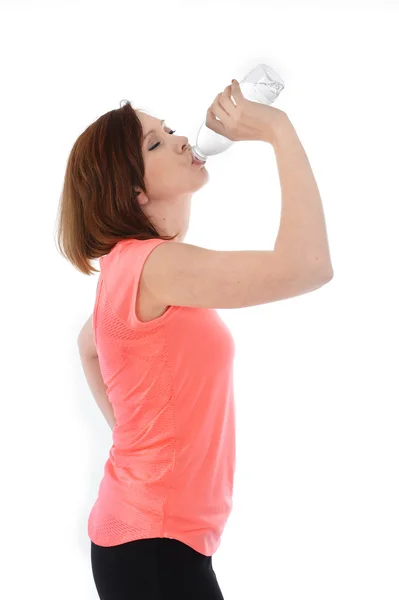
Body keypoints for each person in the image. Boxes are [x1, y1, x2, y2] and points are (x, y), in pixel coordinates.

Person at [57, 80, 333, 599]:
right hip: (154, 548)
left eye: (171, 130)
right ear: (133, 191)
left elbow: (89, 346)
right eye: (155, 143)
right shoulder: (155, 266)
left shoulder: (129, 269)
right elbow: (310, 267)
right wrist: (277, 129)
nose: (181, 140)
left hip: (152, 541)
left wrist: (133, 437)